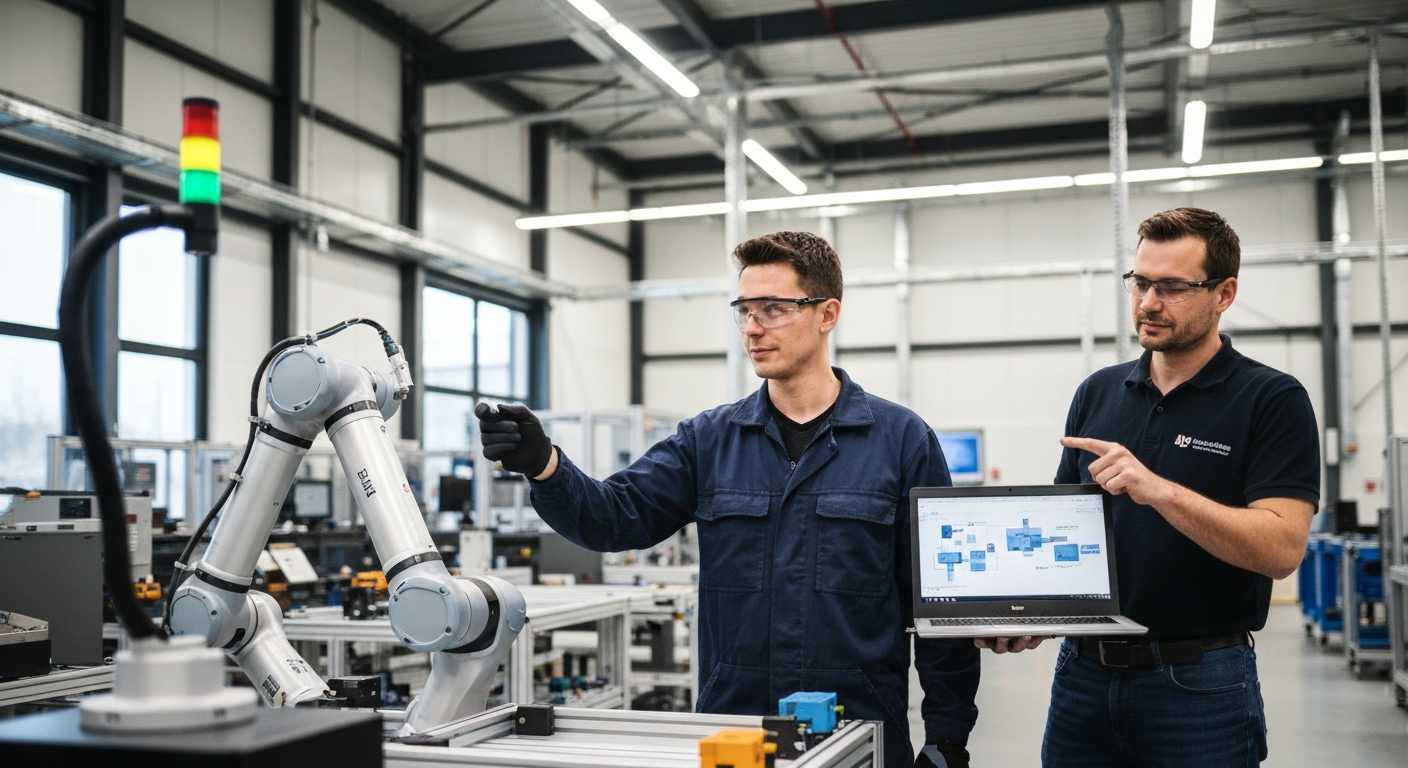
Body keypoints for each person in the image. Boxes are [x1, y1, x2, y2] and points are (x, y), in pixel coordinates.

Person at [476, 231, 980, 768]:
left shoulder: (900, 441)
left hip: (860, 731)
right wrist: (543, 464)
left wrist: (947, 739)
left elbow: (939, 608)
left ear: (827, 314)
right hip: (733, 733)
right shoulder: (709, 441)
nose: (753, 328)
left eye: (773, 309)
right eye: (743, 310)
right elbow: (613, 519)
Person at [980, 207, 1319, 767]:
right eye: (1140, 282)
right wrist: (1030, 615)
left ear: (1224, 293)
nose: (1148, 303)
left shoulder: (1271, 399)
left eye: (1173, 287)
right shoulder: (1099, 393)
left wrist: (1158, 489)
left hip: (1199, 686)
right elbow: (1067, 535)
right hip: (1082, 679)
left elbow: (1281, 549)